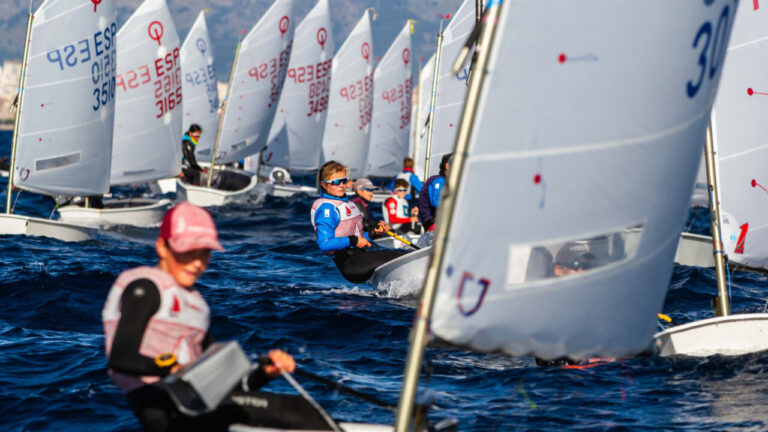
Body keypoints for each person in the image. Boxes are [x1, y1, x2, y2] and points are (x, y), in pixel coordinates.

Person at [103, 202, 331, 431]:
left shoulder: (194, 304)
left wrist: (264, 374)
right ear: (163, 247)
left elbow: (228, 386)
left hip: (195, 404)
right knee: (295, 410)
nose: (197, 264)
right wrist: (173, 368)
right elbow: (121, 358)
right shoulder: (146, 288)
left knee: (301, 410)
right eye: (187, 253)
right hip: (164, 408)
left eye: (204, 254)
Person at [311, 161, 406, 283]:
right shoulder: (327, 208)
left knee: (400, 255)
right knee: (402, 258)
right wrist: (354, 240)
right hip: (350, 263)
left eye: (344, 181)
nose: (342, 185)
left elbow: (358, 237)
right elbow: (324, 243)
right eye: (336, 182)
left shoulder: (347, 203)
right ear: (324, 185)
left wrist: (374, 233)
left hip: (360, 257)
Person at [418, 153, 452, 231]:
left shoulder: (444, 181)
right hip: (432, 222)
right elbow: (437, 202)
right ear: (447, 166)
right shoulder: (438, 180)